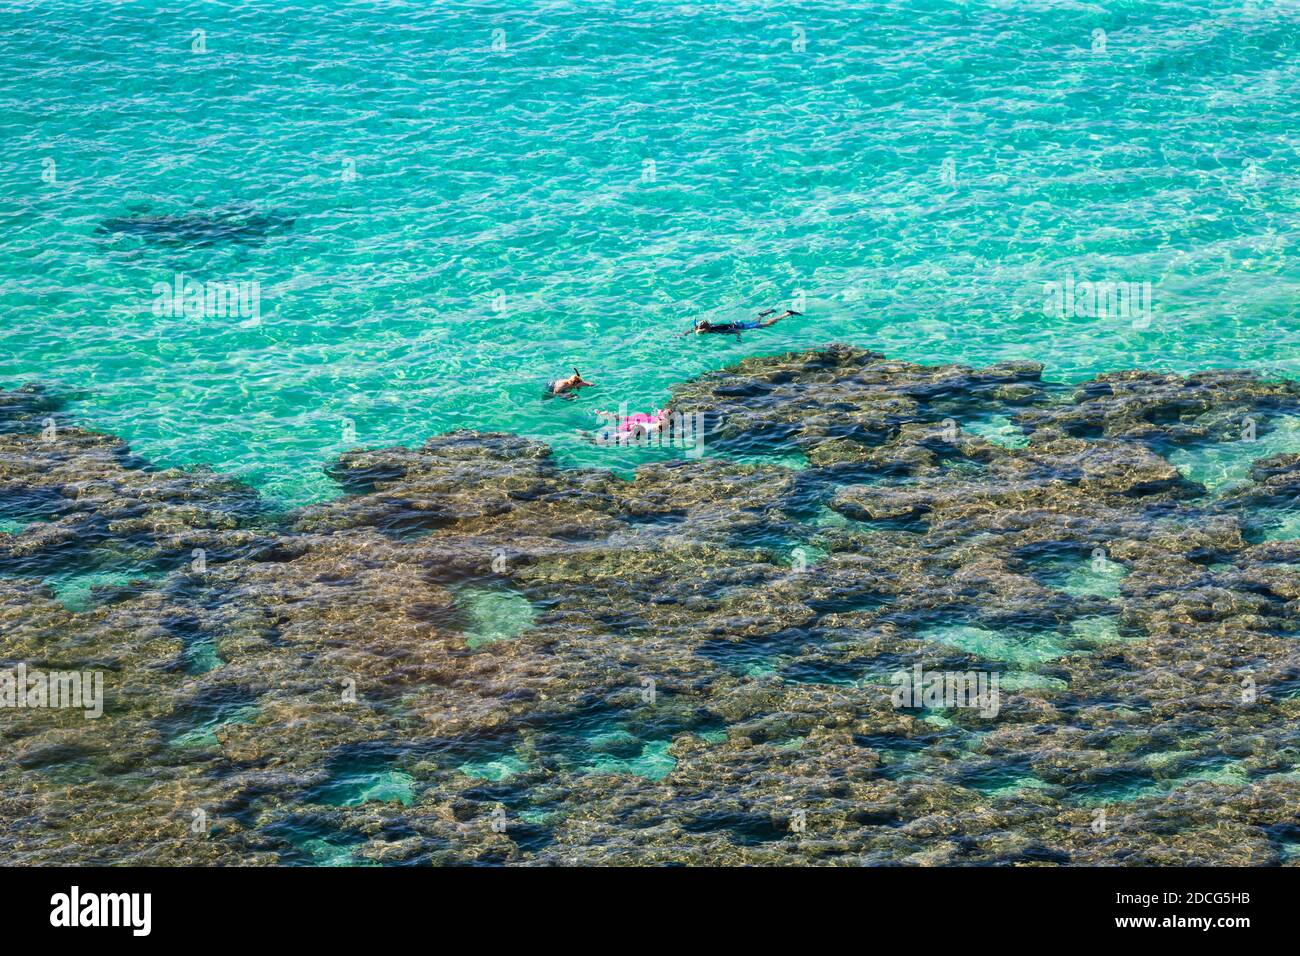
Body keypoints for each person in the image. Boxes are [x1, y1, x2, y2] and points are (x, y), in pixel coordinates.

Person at [684, 308, 801, 340]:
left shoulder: (719, 329)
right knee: (755, 322)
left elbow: (736, 331)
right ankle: (763, 313)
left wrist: (738, 338)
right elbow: (692, 329)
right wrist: (683, 334)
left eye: (703, 331)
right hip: (736, 323)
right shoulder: (700, 328)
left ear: (708, 329)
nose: (701, 332)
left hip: (738, 326)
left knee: (766, 325)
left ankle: (786, 314)